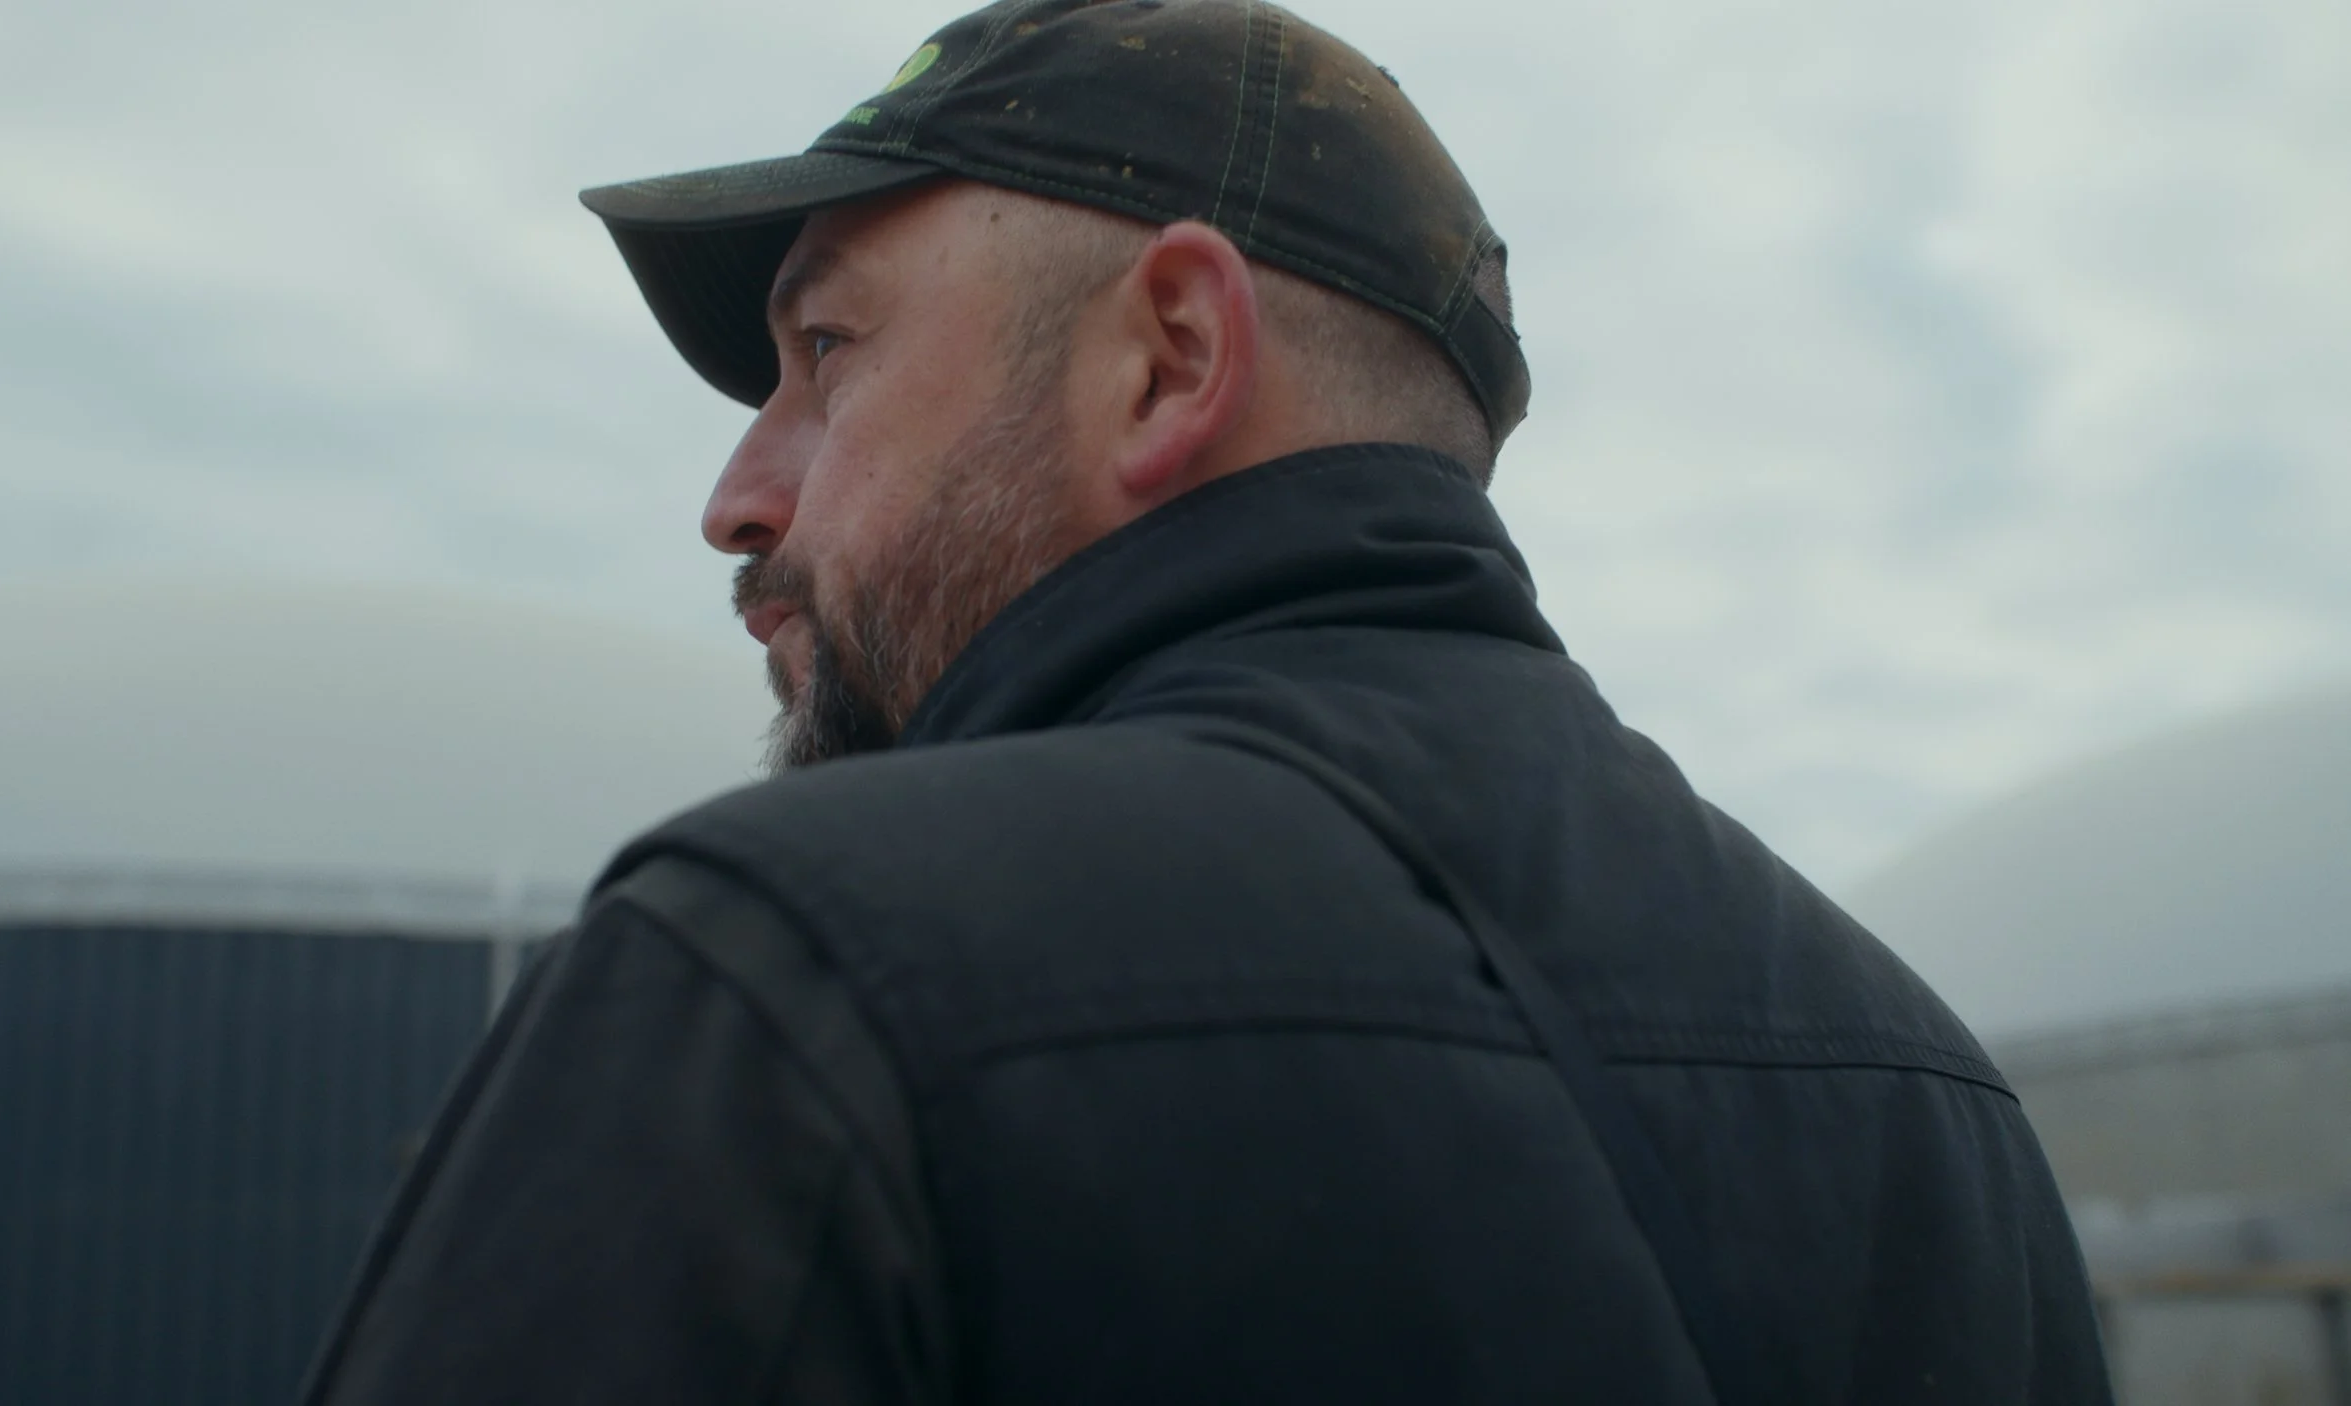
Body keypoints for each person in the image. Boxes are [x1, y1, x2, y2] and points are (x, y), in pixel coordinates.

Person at [300, 1, 2114, 1401]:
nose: (742, 495)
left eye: (826, 353)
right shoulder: (1940, 1112)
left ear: (1172, 358)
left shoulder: (797, 972)